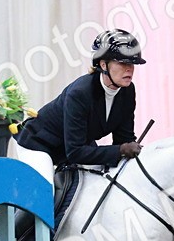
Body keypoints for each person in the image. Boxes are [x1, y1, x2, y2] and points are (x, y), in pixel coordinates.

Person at [13, 28, 145, 180]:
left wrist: (129, 149)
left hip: (75, 146)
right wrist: (121, 149)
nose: (129, 69)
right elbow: (75, 152)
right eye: (122, 63)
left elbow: (124, 138)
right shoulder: (80, 93)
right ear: (103, 65)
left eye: (133, 64)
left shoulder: (127, 91)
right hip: (39, 144)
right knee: (46, 190)